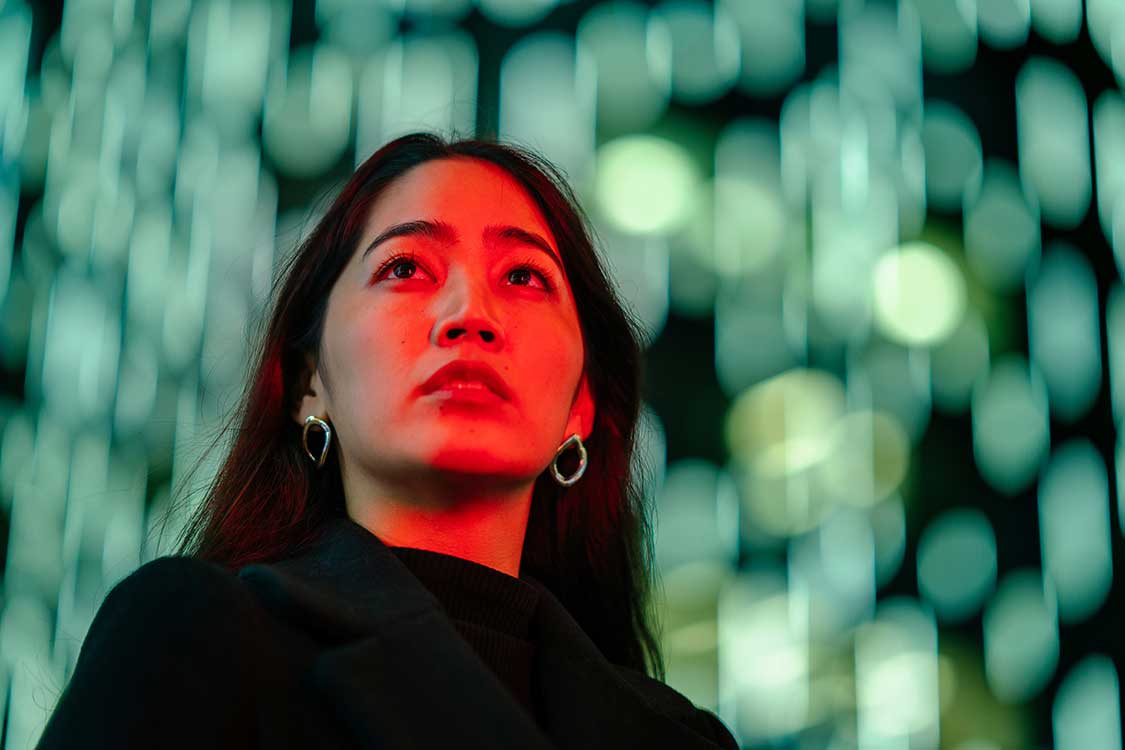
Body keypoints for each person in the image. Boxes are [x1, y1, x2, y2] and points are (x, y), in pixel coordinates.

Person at [33, 131, 739, 749]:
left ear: (579, 409)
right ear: (310, 383)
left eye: (524, 277)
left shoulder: (680, 736)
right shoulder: (193, 636)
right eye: (404, 269)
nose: (469, 315)